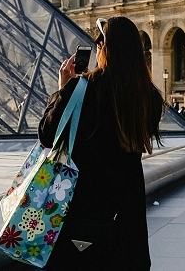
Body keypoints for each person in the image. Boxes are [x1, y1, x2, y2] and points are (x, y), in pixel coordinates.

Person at [37, 16, 163, 270]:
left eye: (99, 43)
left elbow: (47, 135)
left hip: (83, 205)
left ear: (105, 49)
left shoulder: (85, 89)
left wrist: (63, 90)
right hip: (127, 210)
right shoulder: (149, 96)